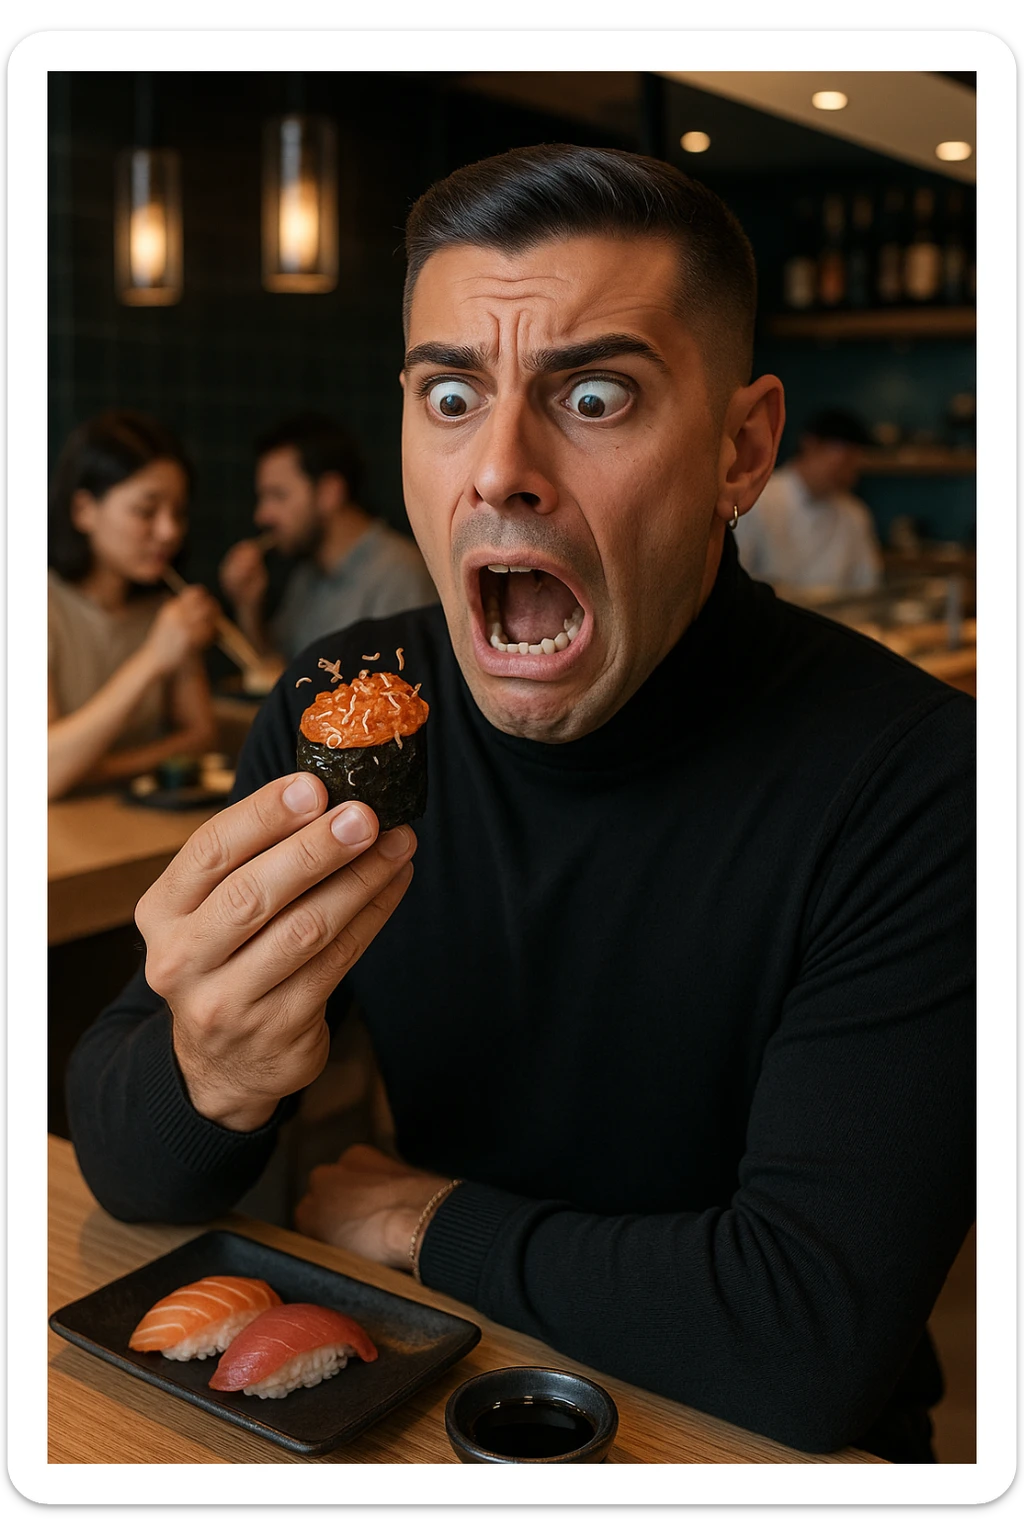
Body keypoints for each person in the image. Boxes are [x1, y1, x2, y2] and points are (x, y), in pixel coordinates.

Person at [65, 146, 975, 1464]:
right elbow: (128, 1167)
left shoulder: (918, 779)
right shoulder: (347, 707)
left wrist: (423, 1219)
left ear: (742, 448)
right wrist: (210, 1072)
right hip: (451, 1403)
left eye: (595, 395)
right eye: (450, 393)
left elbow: (807, 1337)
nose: (497, 470)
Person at [48, 409, 221, 801]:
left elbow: (200, 738)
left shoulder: (165, 610)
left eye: (178, 512)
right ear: (84, 510)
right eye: (146, 511)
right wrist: (153, 658)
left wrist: (88, 769)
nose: (169, 531)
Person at [217, 411, 437, 668]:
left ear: (329, 493)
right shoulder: (307, 576)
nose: (262, 515)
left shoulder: (399, 576)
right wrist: (248, 606)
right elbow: (275, 674)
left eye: (278, 496)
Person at [733, 406, 884, 600]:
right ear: (810, 445)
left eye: (856, 463)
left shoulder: (854, 513)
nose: (850, 474)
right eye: (845, 460)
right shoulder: (759, 501)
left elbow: (867, 587)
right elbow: (737, 581)